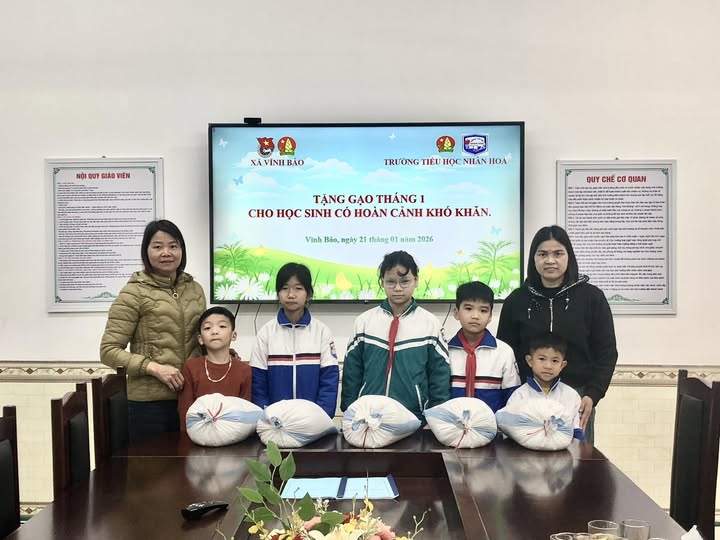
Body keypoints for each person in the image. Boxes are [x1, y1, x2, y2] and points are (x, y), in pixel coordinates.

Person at [496, 225, 617, 444]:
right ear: (533, 258)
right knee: (524, 461)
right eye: (543, 254)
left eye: (558, 253)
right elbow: (505, 352)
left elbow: (607, 352)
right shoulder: (517, 300)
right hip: (527, 397)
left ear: (569, 256)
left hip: (577, 397)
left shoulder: (592, 298)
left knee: (577, 460)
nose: (550, 260)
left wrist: (593, 394)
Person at [100, 219, 207, 441]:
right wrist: (154, 368)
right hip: (148, 405)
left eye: (173, 246)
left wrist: (221, 353)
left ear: (182, 250)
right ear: (146, 251)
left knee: (194, 462)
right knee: (153, 464)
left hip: (192, 398)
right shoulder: (133, 293)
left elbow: (200, 339)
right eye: (158, 246)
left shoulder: (195, 289)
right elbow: (108, 351)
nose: (166, 252)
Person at [341, 250, 450, 422]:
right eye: (391, 282)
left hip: (414, 419)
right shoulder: (364, 322)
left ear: (416, 281)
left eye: (405, 281)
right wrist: (349, 412)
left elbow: (439, 377)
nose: (398, 288)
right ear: (382, 282)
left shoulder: (430, 324)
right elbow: (352, 373)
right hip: (367, 418)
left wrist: (435, 418)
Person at [249, 263, 339, 418]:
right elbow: (258, 384)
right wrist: (268, 418)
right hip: (275, 422)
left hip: (314, 421)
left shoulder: (322, 332)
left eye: (298, 288)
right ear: (278, 293)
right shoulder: (266, 333)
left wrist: (320, 418)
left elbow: (329, 381)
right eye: (285, 288)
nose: (291, 294)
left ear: (308, 294)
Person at [448, 281, 520, 412]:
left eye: (483, 310)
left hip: (492, 423)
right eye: (468, 309)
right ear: (456, 313)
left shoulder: (504, 352)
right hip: (452, 423)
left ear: (490, 316)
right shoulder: (445, 351)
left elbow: (512, 398)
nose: (475, 316)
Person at [177, 306, 252, 429]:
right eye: (207, 328)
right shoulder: (191, 367)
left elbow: (246, 410)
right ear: (200, 339)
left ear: (233, 335)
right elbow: (185, 409)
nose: (214, 331)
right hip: (197, 434)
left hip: (234, 434)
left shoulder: (244, 369)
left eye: (222, 326)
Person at [504, 332, 584, 440]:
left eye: (555, 361)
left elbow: (576, 431)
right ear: (530, 361)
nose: (548, 366)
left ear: (562, 365)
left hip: (562, 449)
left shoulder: (571, 396)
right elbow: (510, 430)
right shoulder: (519, 395)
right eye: (542, 359)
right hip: (526, 448)